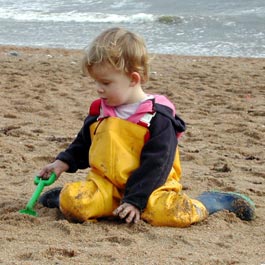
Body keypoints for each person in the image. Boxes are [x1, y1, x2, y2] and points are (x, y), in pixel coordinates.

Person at [39, 27, 255, 227]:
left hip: (152, 187)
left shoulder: (158, 117)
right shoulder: (100, 111)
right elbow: (84, 143)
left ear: (133, 79)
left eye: (106, 83)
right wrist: (62, 162)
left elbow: (157, 163)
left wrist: (135, 200)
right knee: (75, 203)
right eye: (95, 82)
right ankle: (63, 197)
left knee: (174, 213)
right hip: (108, 185)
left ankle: (211, 202)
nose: (98, 89)